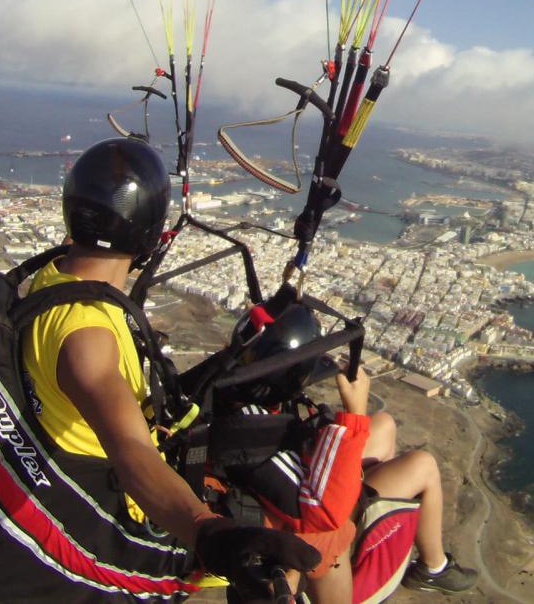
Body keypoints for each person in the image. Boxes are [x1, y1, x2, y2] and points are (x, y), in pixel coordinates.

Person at [21, 137, 321, 600]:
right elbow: (131, 452)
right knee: (312, 536)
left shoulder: (54, 277)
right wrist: (208, 532)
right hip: (128, 515)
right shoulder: (88, 338)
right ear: (149, 235)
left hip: (88, 472)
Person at [216, 303, 479, 601]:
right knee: (424, 465)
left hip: (286, 493)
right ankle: (432, 568)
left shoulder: (233, 396)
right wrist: (354, 413)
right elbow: (321, 509)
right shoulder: (254, 436)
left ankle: (367, 536)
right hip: (312, 514)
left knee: (384, 425)